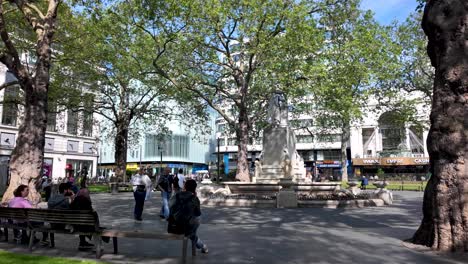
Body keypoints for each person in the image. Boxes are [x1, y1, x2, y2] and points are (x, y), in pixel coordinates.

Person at [168, 179, 208, 254]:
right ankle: (201, 245)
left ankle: (201, 245)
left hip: (174, 226)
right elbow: (198, 213)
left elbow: (170, 206)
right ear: (195, 188)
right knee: (196, 221)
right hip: (187, 226)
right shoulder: (195, 198)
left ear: (185, 186)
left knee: (190, 227)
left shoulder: (177, 195)